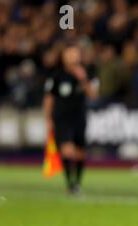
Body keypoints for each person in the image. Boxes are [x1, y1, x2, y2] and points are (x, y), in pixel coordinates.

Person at [43, 44, 98, 195]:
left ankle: (77, 183)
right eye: (69, 54)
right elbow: (49, 99)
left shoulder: (87, 73)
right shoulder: (56, 76)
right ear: (63, 57)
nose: (73, 57)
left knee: (80, 152)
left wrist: (83, 79)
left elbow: (93, 95)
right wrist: (48, 118)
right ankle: (70, 184)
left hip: (79, 117)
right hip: (61, 118)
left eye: (75, 54)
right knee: (67, 150)